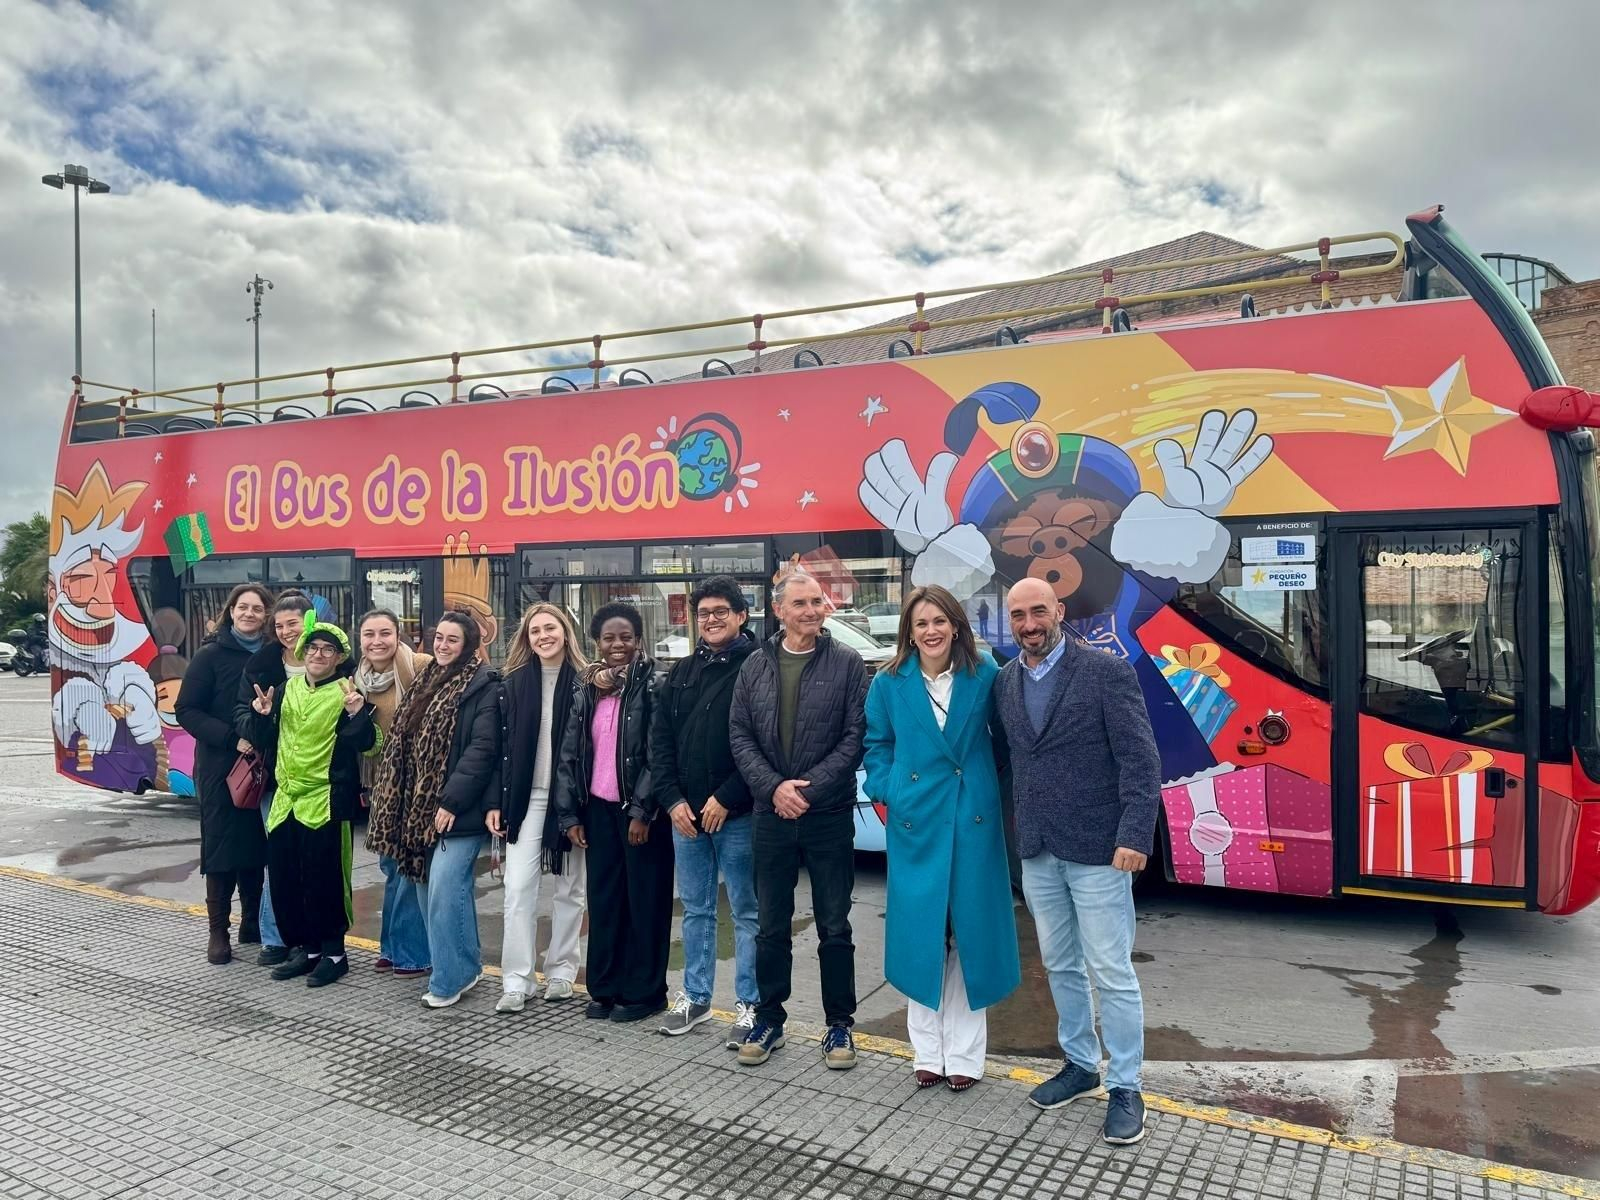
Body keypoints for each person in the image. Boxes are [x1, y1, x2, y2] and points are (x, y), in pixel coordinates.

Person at [997, 577, 1161, 1146]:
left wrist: (1134, 834)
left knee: (1111, 971)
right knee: (1060, 966)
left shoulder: (1105, 671)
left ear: (1059, 611)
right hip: (1039, 850)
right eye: (1018, 614)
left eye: (1038, 610)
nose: (1028, 623)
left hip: (1099, 848)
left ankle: (1125, 1086)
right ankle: (1079, 1065)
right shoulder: (1004, 681)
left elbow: (1141, 760)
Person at [863, 585, 1020, 1091]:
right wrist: (891, 791)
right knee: (923, 934)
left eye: (939, 621)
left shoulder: (986, 675)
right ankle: (927, 1052)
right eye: (920, 623)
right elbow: (877, 746)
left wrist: (984, 790)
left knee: (969, 932)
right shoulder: (888, 683)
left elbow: (1006, 743)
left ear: (956, 625)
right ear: (909, 630)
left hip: (972, 821)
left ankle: (967, 1057)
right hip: (916, 822)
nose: (930, 631)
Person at [729, 567, 869, 1069]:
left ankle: (839, 1027)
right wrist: (774, 788)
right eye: (802, 603)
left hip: (827, 813)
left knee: (835, 923)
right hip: (771, 814)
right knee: (771, 924)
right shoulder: (755, 665)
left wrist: (806, 789)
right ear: (780, 610)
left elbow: (855, 737)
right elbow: (740, 735)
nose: (812, 610)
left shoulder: (848, 663)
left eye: (818, 602)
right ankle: (770, 1019)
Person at [367, 612, 505, 1009]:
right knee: (428, 889)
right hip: (417, 810)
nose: (443, 646)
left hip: (458, 809)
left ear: (469, 645)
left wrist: (450, 802)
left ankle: (449, 978)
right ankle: (465, 964)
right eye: (438, 638)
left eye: (452, 640)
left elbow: (482, 750)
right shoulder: (426, 681)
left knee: (446, 889)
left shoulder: (485, 685)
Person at [651, 576, 760, 1043]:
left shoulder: (758, 668)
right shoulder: (680, 673)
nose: (711, 620)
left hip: (737, 815)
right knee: (695, 910)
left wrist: (727, 797)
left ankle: (751, 1006)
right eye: (703, 613)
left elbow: (764, 746)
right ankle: (695, 998)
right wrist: (673, 800)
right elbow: (660, 745)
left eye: (721, 612)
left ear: (741, 616)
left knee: (746, 911)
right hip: (686, 818)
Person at [553, 602, 671, 1024]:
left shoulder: (656, 685)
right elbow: (571, 754)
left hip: (640, 814)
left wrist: (643, 810)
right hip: (598, 811)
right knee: (604, 902)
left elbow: (659, 753)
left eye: (625, 637)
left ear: (638, 641)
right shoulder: (588, 689)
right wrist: (570, 815)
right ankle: (604, 988)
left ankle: (647, 992)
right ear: (597, 643)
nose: (617, 644)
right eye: (609, 637)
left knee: (645, 902)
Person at [246, 616, 378, 988]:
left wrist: (355, 713)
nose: (319, 654)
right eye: (313, 648)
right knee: (288, 880)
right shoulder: (285, 690)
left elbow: (366, 743)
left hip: (325, 802)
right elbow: (265, 740)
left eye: (328, 649)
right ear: (302, 653)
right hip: (285, 802)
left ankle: (335, 953)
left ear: (338, 658)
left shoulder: (347, 692)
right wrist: (262, 717)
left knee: (326, 882)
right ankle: (308, 949)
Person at [490, 603, 588, 1012]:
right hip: (525, 798)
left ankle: (562, 971)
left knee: (571, 889)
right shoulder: (511, 683)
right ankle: (517, 979)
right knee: (517, 889)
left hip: (571, 800)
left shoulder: (587, 681)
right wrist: (495, 802)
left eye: (550, 628)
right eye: (535, 631)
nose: (543, 636)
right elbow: (499, 750)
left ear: (566, 632)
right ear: (526, 639)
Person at [175, 584, 275, 965]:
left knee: (256, 843)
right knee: (220, 846)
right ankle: (218, 930)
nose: (249, 613)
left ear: (266, 615)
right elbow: (187, 710)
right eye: (242, 607)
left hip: (262, 764)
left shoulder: (271, 656)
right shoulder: (210, 656)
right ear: (231, 611)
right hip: (220, 766)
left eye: (257, 608)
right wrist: (232, 740)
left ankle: (252, 919)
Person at [233, 591, 314, 968]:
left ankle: (307, 939)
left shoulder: (331, 660)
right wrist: (261, 716)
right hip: (274, 777)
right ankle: (275, 936)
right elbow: (242, 717)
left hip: (317, 780)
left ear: (309, 622)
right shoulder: (261, 665)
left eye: (293, 624)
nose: (285, 632)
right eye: (279, 626)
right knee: (278, 857)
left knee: (309, 862)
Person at [352, 609, 432, 979]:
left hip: (418, 788)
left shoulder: (419, 666)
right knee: (391, 869)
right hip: (381, 788)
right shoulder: (356, 682)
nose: (377, 641)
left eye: (385, 633)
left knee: (408, 869)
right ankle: (391, 949)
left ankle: (409, 955)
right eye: (369, 634)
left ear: (399, 635)